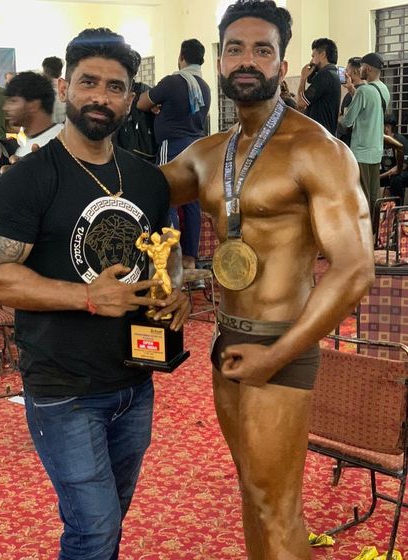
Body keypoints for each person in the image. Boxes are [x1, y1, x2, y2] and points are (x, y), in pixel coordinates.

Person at [161, 1, 374, 558]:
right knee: (253, 495)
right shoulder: (208, 154)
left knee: (278, 509)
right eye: (235, 48)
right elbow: (136, 199)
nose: (247, 60)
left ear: (283, 64)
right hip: (227, 340)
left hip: (282, 345)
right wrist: (172, 269)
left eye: (262, 50)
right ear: (219, 60)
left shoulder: (317, 150)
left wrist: (277, 355)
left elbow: (355, 268)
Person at [0, 27, 189, 560]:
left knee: (108, 519)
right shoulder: (28, 178)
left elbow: (166, 255)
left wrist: (176, 291)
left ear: (130, 96)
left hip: (136, 381)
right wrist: (87, 297)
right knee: (94, 530)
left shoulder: (146, 179)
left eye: (115, 87)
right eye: (89, 82)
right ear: (65, 87)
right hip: (64, 388)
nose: (101, 96)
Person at [137, 38, 211, 269]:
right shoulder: (205, 88)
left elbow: (141, 103)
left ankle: (173, 256)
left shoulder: (173, 82)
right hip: (197, 148)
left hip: (173, 147)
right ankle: (190, 258)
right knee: (191, 202)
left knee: (167, 197)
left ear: (181, 57)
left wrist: (157, 107)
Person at [340, 52, 390, 220]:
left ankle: (364, 229)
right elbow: (369, 109)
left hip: (361, 151)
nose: (359, 70)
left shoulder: (364, 91)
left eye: (361, 67)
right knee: (374, 196)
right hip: (376, 150)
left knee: (362, 195)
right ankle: (375, 229)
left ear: (367, 69)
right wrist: (352, 90)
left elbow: (347, 121)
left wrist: (339, 117)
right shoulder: (384, 90)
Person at [4, 71, 63, 156]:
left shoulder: (58, 146)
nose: (5, 108)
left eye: (13, 101)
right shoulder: (63, 135)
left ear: (34, 105)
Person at [297, 37, 341, 135]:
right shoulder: (333, 73)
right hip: (327, 134)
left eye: (313, 56)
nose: (311, 61)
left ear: (323, 55)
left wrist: (303, 78)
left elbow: (301, 103)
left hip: (319, 135)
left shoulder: (325, 75)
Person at [337, 56, 364, 146]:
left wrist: (338, 118)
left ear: (355, 72)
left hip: (350, 142)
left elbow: (347, 121)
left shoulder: (357, 93)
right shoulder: (363, 91)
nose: (345, 73)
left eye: (347, 70)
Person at [381, 113, 408, 202]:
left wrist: (380, 176)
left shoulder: (400, 140)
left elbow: (402, 166)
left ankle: (396, 205)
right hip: (386, 173)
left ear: (388, 127)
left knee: (396, 178)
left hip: (401, 173)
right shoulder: (379, 141)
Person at [42, 55, 67, 124]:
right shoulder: (67, 89)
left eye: (43, 70)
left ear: (47, 71)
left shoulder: (42, 91)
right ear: (60, 72)